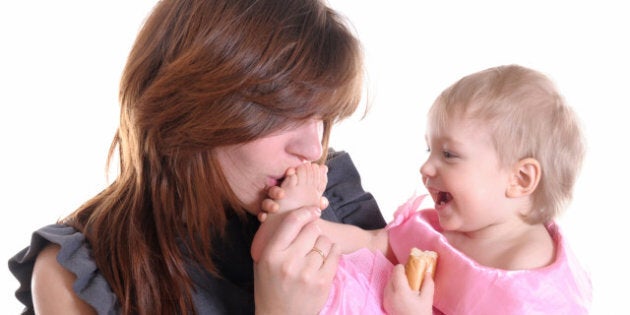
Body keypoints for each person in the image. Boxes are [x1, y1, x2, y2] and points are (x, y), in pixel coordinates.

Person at [8, 0, 387, 314]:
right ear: (192, 104)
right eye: (285, 113)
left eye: (321, 116)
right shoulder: (80, 278)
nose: (312, 149)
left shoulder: (330, 197)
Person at [256, 64, 593, 314]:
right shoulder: (440, 227)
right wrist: (313, 226)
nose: (426, 168)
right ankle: (289, 233)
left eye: (449, 154)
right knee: (340, 274)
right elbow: (375, 241)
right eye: (429, 151)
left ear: (519, 180)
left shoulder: (533, 293)